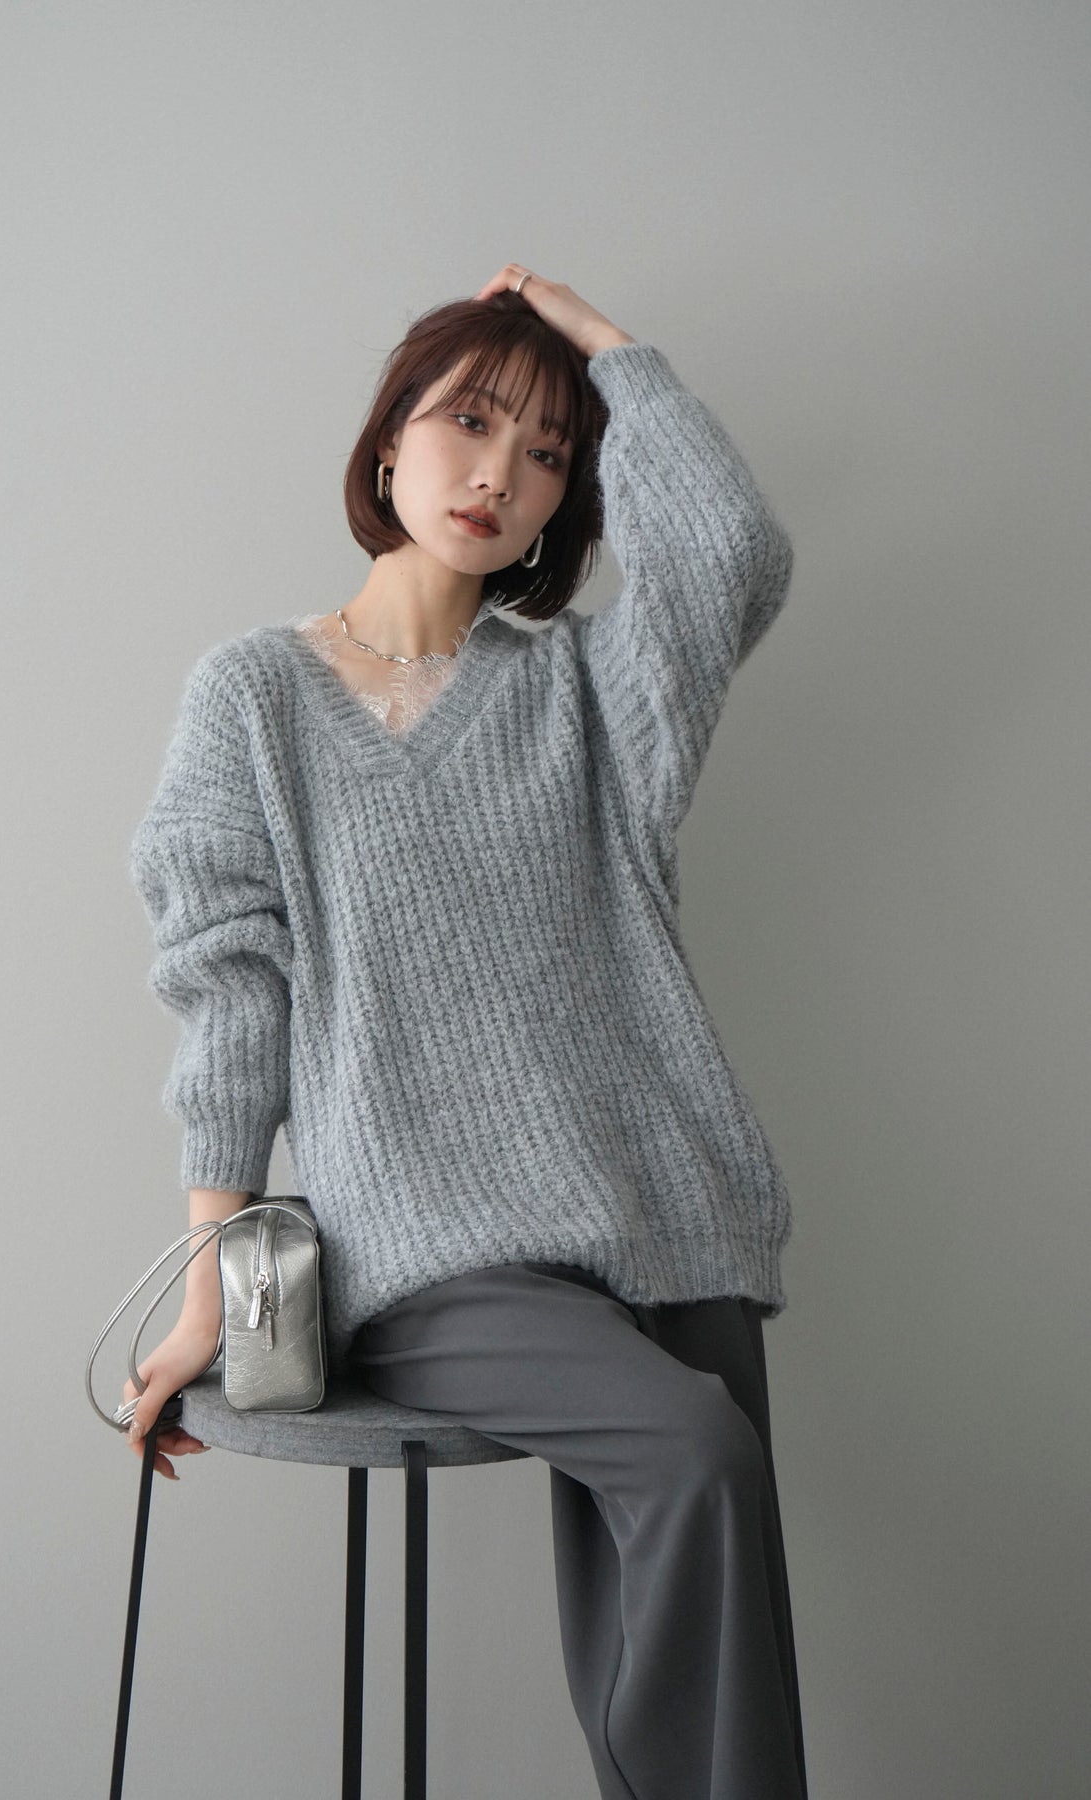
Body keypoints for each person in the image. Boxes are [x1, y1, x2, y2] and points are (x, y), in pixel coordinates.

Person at [120, 265, 809, 1799]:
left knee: (704, 1545)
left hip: (655, 1203)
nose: (501, 472)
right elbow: (229, 992)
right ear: (387, 445)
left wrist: (609, 349)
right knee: (690, 1449)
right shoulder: (253, 698)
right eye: (470, 422)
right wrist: (208, 1287)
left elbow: (730, 554)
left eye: (548, 452)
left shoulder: (591, 697)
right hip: (428, 1246)